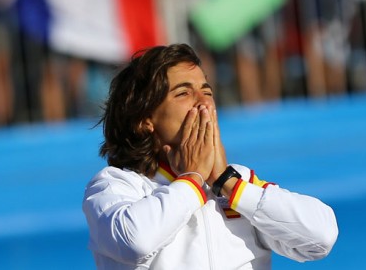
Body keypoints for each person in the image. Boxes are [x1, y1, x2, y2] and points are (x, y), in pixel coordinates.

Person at [82, 43, 338, 268]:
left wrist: (227, 182)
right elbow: (134, 242)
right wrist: (192, 181)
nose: (203, 103)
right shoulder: (114, 184)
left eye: (207, 91)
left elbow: (321, 237)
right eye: (183, 93)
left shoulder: (238, 180)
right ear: (144, 120)